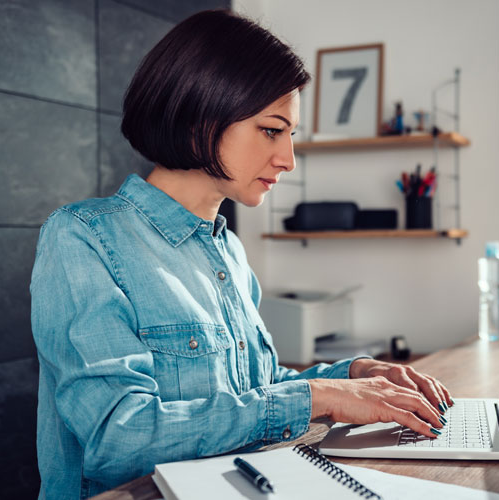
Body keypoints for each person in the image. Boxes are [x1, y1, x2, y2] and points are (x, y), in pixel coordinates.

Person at [30, 9, 452, 500]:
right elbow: (118, 436)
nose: (288, 159)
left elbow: (256, 385)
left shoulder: (227, 248)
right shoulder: (81, 239)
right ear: (199, 116)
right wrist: (318, 397)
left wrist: (354, 376)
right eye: (272, 130)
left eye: (290, 135)